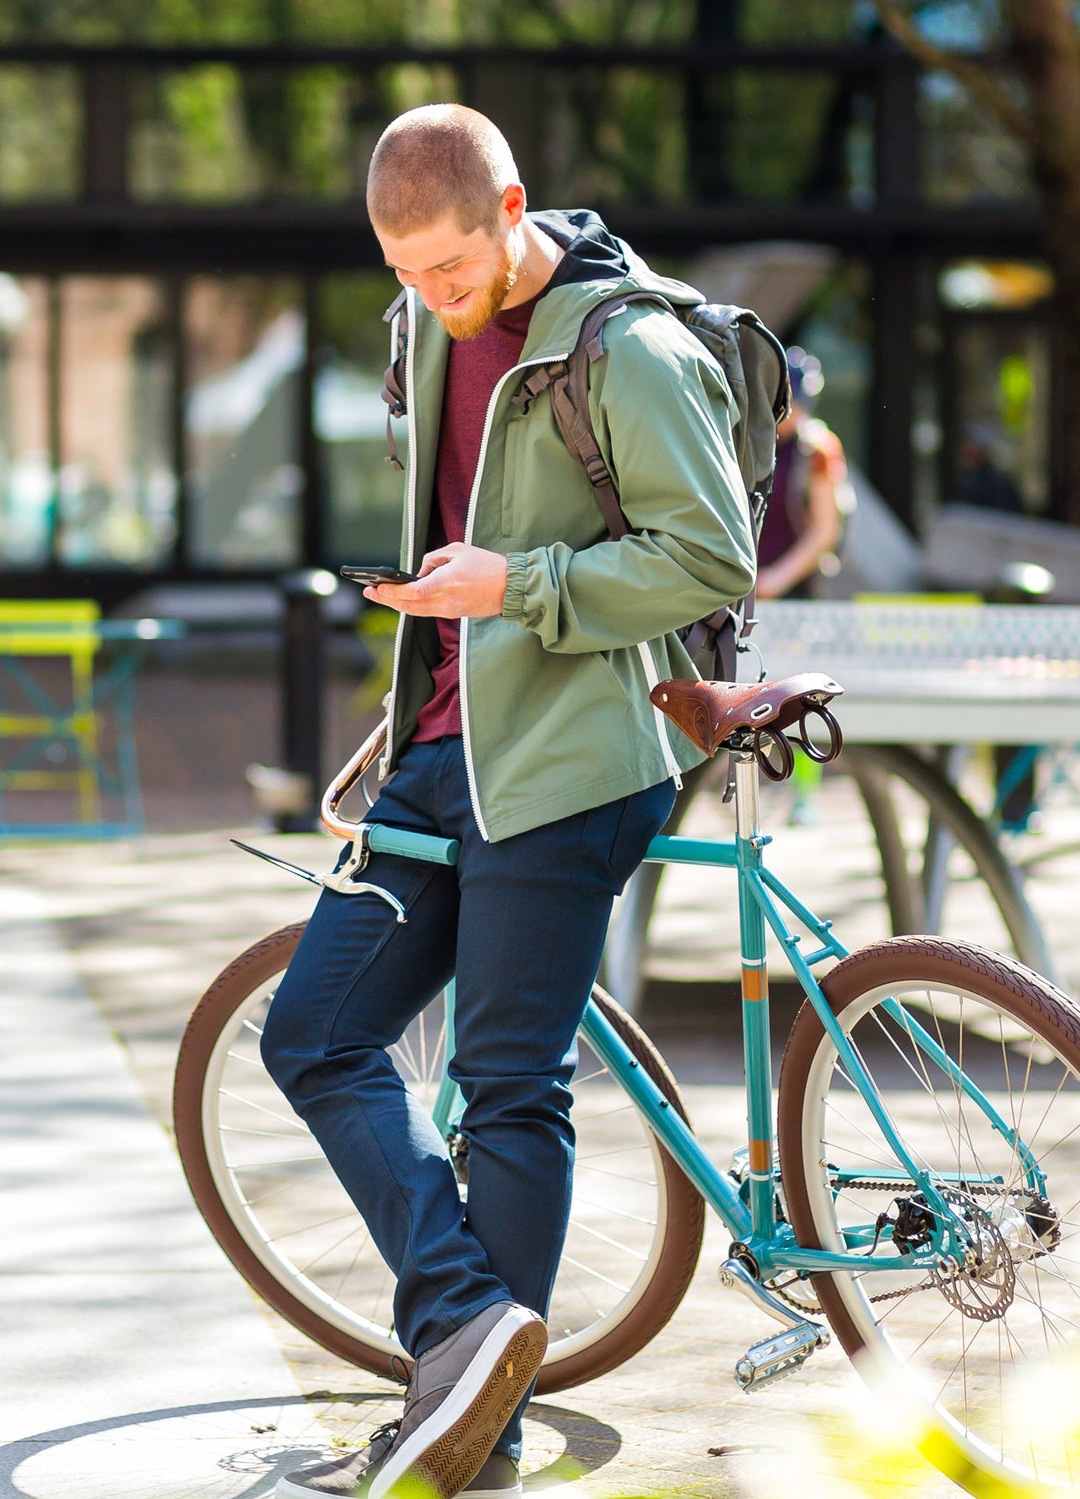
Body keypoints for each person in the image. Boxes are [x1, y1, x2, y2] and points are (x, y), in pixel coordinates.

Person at [265, 106, 755, 1499]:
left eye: (450, 267)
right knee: (313, 1032)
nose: (428, 296)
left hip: (582, 753)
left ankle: (479, 1412)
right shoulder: (421, 324)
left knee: (508, 1086)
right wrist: (435, 619)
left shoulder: (630, 346)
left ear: (514, 208)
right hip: (446, 744)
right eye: (404, 270)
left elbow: (712, 560)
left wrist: (517, 586)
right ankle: (471, 1324)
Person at [752, 346, 850, 600]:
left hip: (795, 589)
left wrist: (776, 579)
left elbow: (826, 531)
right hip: (748, 580)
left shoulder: (817, 448)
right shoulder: (753, 441)